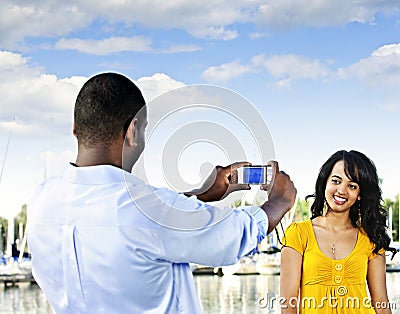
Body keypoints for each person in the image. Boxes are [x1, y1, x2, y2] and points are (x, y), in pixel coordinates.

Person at [27, 72, 296, 314]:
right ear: (132, 131)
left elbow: (138, 221)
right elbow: (233, 235)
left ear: (76, 130)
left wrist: (203, 194)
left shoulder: (42, 201)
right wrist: (280, 200)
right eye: (143, 130)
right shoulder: (146, 210)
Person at [280, 150, 396, 314]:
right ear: (325, 183)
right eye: (336, 181)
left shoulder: (371, 239)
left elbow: (381, 303)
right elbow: (288, 304)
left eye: (352, 186)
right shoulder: (297, 234)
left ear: (360, 194)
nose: (342, 190)